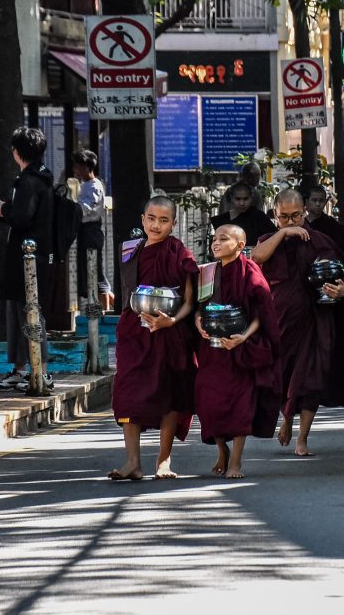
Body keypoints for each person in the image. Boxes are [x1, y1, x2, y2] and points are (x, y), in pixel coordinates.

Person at [252, 189, 344, 456]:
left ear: (304, 212)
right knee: (283, 378)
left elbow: (342, 275)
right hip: (280, 322)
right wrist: (283, 234)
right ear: (274, 215)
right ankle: (287, 418)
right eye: (284, 217)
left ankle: (303, 437)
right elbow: (255, 258)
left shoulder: (320, 240)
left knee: (311, 378)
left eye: (296, 216)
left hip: (315, 320)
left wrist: (342, 291)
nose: (291, 222)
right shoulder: (268, 239)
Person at [109, 195, 199, 481]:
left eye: (163, 220)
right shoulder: (130, 250)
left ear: (173, 224)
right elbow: (128, 293)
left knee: (170, 393)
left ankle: (163, 460)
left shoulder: (179, 253)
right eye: (151, 219)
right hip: (134, 331)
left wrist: (171, 320)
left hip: (170, 331)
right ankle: (132, 462)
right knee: (126, 394)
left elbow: (189, 299)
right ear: (142, 220)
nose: (156, 225)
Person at [193, 224, 281, 479]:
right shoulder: (207, 272)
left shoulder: (249, 271)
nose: (216, 243)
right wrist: (199, 323)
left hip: (240, 349)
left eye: (223, 239)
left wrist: (244, 337)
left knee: (240, 405)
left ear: (240, 245)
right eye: (214, 239)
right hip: (212, 351)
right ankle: (222, 450)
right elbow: (199, 306)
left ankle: (236, 463)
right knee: (208, 403)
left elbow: (261, 313)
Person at [0, 127, 55, 392]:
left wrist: (2, 210)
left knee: (28, 312)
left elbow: (23, 217)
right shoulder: (45, 179)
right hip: (38, 256)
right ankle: (21, 369)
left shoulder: (27, 182)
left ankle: (39, 370)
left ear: (17, 153)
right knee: (21, 312)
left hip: (26, 259)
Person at [72, 150, 114, 311]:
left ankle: (107, 311)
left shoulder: (94, 186)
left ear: (86, 167)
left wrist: (71, 209)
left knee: (95, 271)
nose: (76, 170)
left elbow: (85, 209)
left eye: (78, 166)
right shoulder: (86, 185)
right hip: (86, 230)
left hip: (91, 230)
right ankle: (112, 308)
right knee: (91, 270)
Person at [211, 181, 277, 248]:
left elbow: (274, 237)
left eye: (245, 199)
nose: (242, 203)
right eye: (238, 199)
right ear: (232, 198)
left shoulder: (259, 217)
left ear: (251, 198)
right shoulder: (222, 221)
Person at [304, 185, 344, 260]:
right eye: (314, 200)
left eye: (321, 200)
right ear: (307, 202)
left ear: (325, 202)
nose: (318, 204)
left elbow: (343, 253)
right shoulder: (302, 225)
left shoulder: (336, 227)